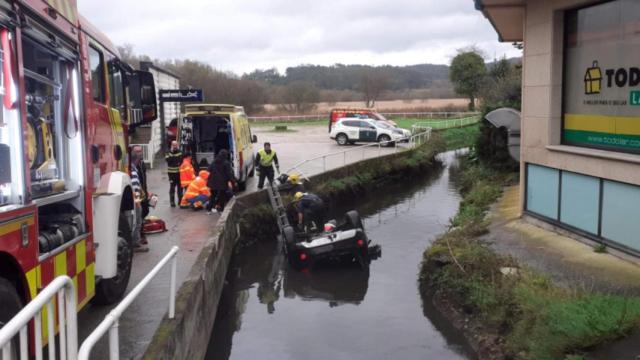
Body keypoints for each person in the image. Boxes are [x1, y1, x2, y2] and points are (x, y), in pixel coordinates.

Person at [131, 147, 149, 252]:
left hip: (139, 196)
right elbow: (135, 188)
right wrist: (138, 203)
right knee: (137, 220)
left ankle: (137, 240)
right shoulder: (133, 171)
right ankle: (136, 243)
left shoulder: (137, 168)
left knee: (139, 219)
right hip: (136, 200)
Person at [207, 149, 236, 213]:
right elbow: (229, 174)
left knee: (213, 195)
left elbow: (208, 170)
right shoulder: (226, 163)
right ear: (225, 155)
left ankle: (210, 208)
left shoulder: (213, 162)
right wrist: (233, 181)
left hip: (213, 182)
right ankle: (221, 208)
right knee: (222, 196)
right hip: (222, 183)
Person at [165, 141, 183, 207]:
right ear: (171, 145)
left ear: (177, 145)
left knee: (180, 188)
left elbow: (181, 161)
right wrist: (172, 153)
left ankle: (180, 201)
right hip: (171, 173)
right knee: (172, 187)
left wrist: (174, 159)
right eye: (173, 145)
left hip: (179, 173)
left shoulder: (180, 152)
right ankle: (172, 202)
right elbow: (168, 161)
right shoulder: (168, 152)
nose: (175, 146)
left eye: (176, 145)